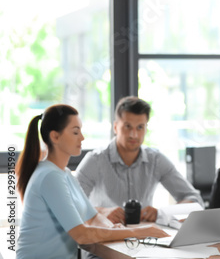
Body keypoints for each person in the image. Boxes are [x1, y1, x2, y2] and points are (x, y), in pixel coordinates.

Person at [16, 104, 167, 259]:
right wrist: (138, 232)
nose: (82, 137)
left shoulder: (65, 173)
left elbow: (93, 217)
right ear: (55, 136)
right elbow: (82, 235)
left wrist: (113, 228)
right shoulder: (49, 176)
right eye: (75, 132)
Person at [75, 96, 203, 224]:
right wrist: (101, 212)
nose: (134, 134)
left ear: (146, 128)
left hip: (145, 239)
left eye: (140, 127)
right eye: (128, 126)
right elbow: (72, 204)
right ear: (115, 127)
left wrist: (162, 213)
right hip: (105, 236)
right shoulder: (95, 160)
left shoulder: (156, 160)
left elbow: (195, 199)